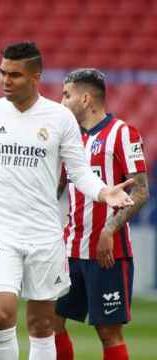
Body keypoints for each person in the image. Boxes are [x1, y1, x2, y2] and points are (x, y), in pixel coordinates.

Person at [0, 42, 135, 360]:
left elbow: (80, 172)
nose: (5, 80)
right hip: (2, 230)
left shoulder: (59, 118)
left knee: (43, 325)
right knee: (2, 314)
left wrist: (103, 192)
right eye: (2, 72)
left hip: (45, 234)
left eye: (14, 75)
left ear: (35, 77)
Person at [54, 69, 148, 360]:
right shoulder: (69, 140)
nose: (61, 101)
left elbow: (141, 191)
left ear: (85, 98)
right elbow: (57, 188)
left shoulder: (123, 134)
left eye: (66, 95)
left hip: (108, 251)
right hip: (70, 248)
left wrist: (109, 229)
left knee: (108, 332)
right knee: (51, 323)